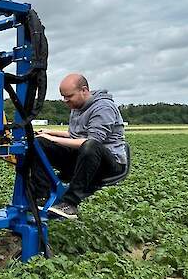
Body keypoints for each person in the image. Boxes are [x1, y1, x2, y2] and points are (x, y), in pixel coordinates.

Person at [29, 73, 127, 220]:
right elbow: (75, 136)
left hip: (109, 162)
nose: (65, 100)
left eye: (69, 96)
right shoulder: (77, 106)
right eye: (63, 96)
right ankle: (42, 194)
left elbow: (92, 141)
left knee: (90, 146)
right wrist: (49, 133)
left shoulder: (103, 107)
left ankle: (70, 203)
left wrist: (51, 138)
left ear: (84, 90)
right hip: (84, 156)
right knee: (39, 143)